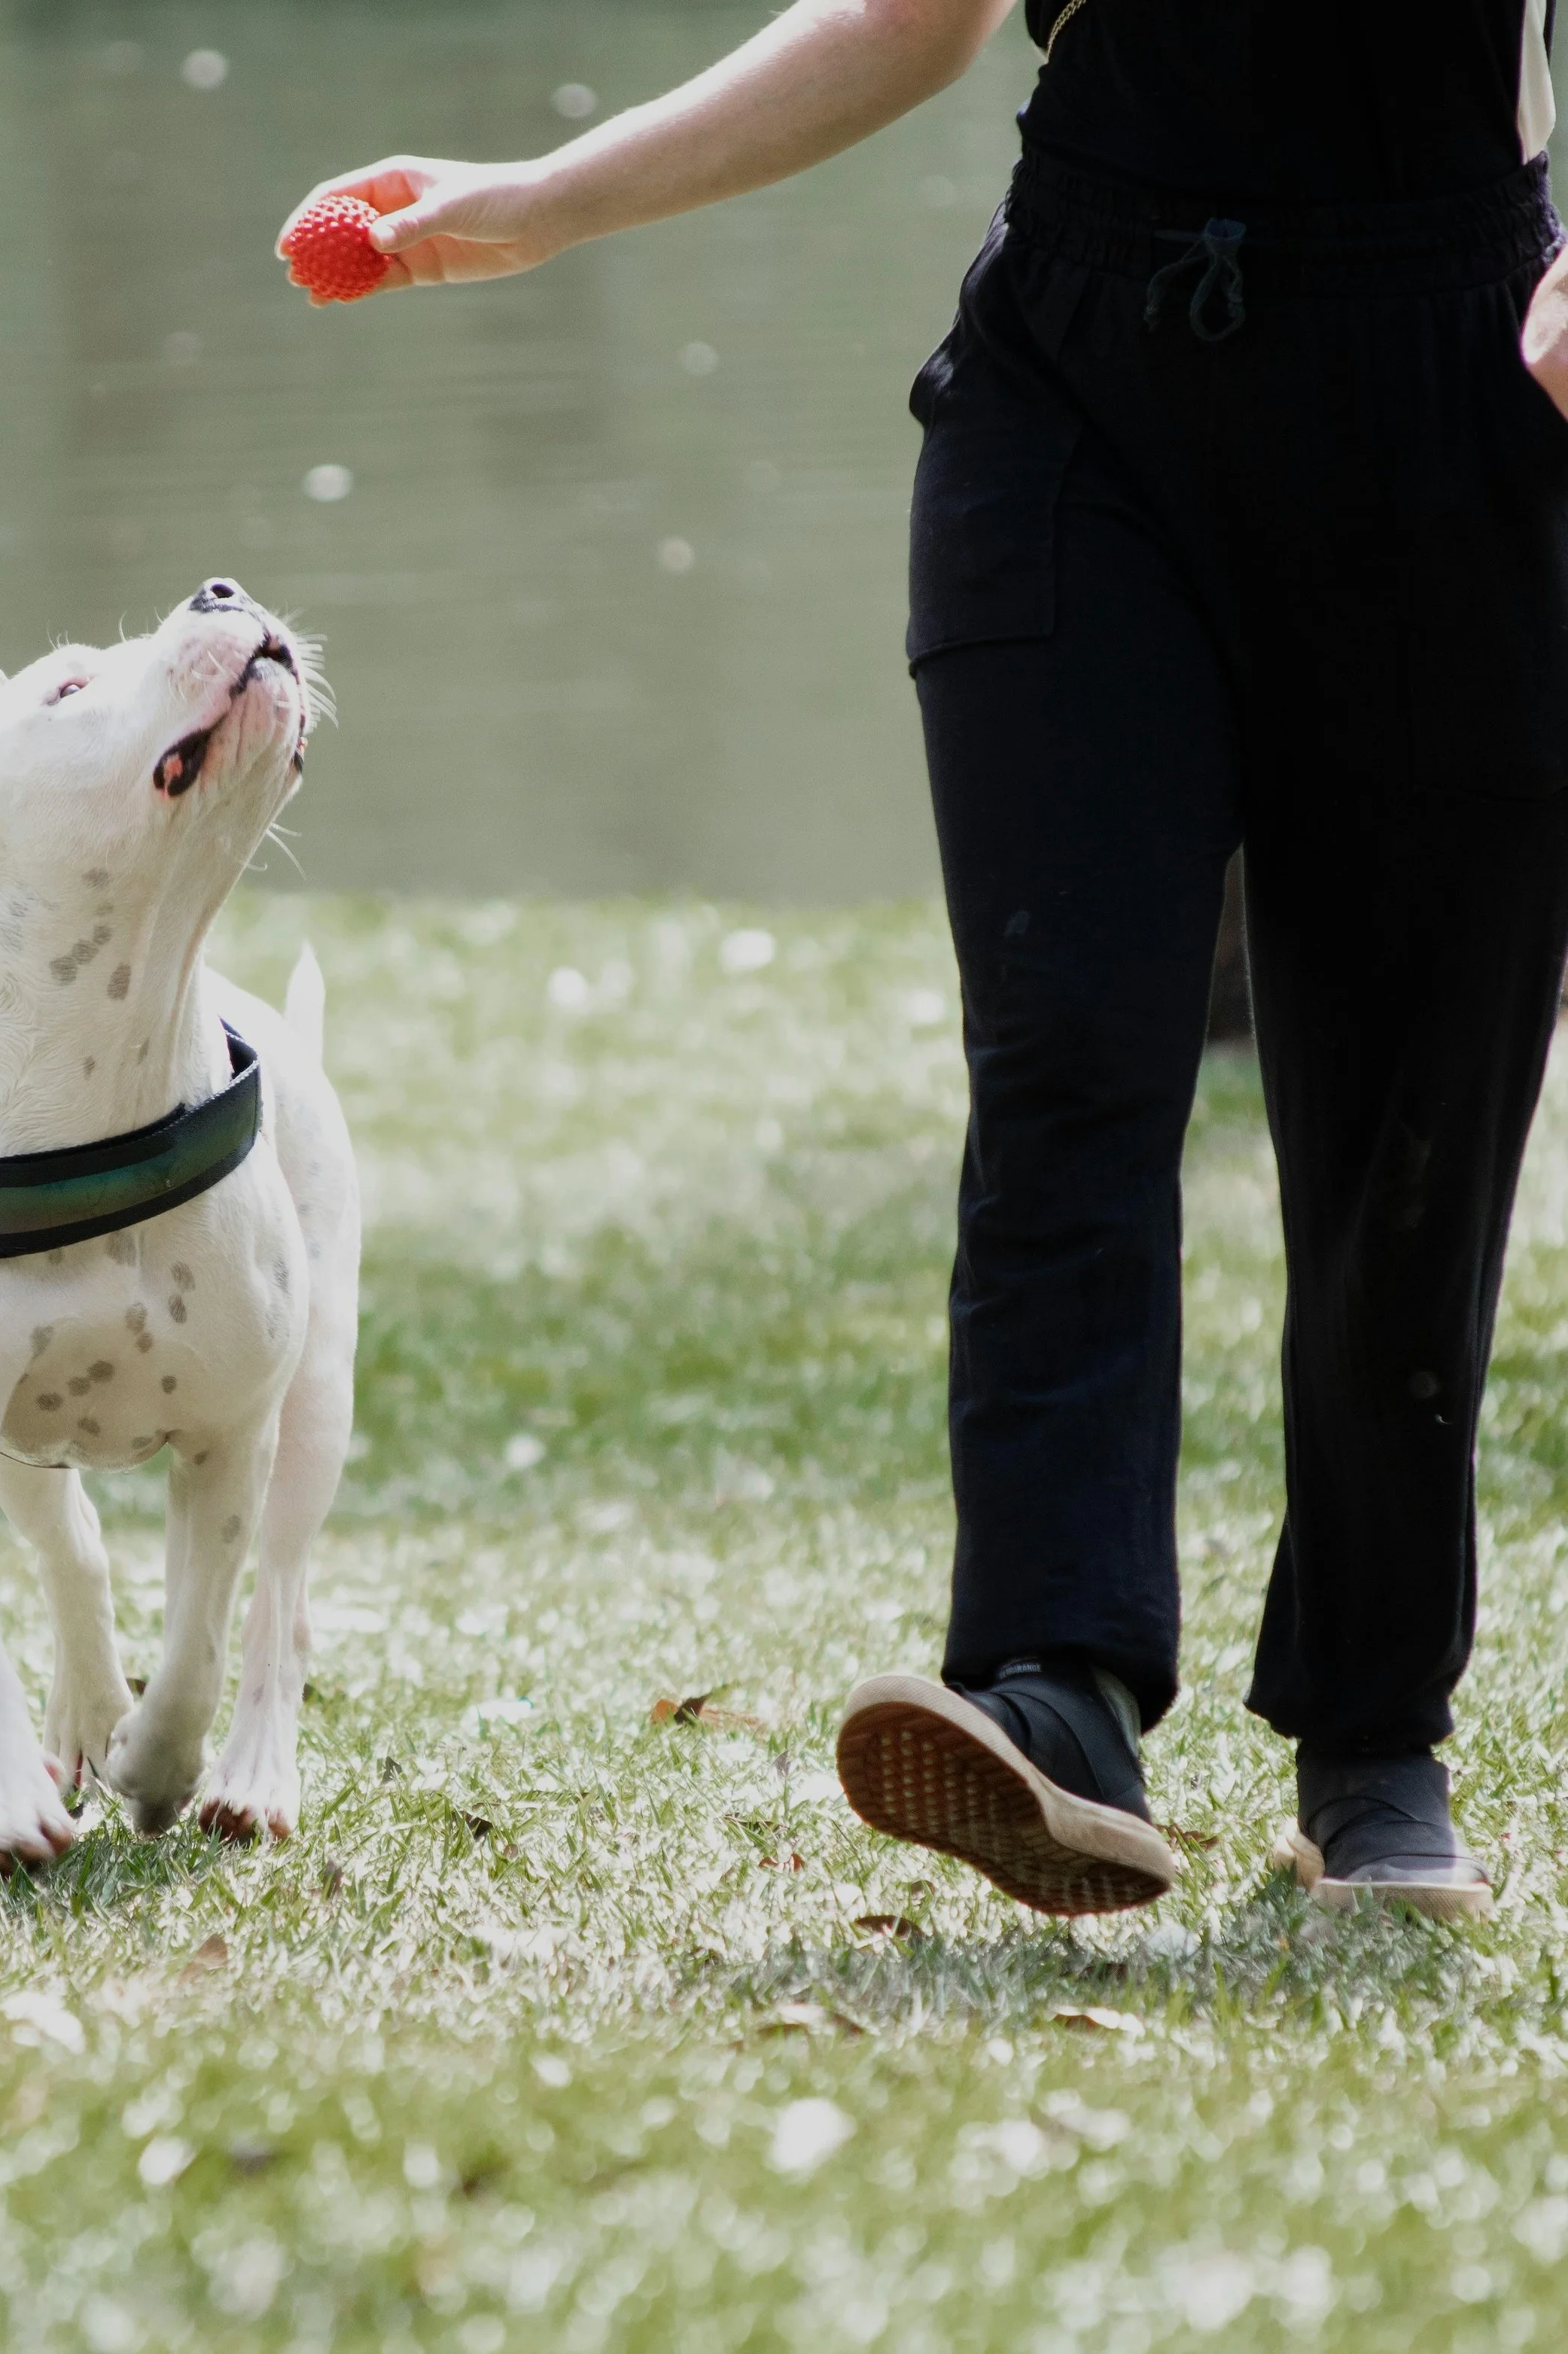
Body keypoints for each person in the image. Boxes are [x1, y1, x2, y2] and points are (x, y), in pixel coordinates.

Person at [295, 1, 1568, 1920]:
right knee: (1065, 1054)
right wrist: (546, 202)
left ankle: (1372, 1744)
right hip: (1083, 395)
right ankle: (1052, 1698)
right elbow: (914, 13)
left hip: (1457, 400)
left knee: (1415, 1114)